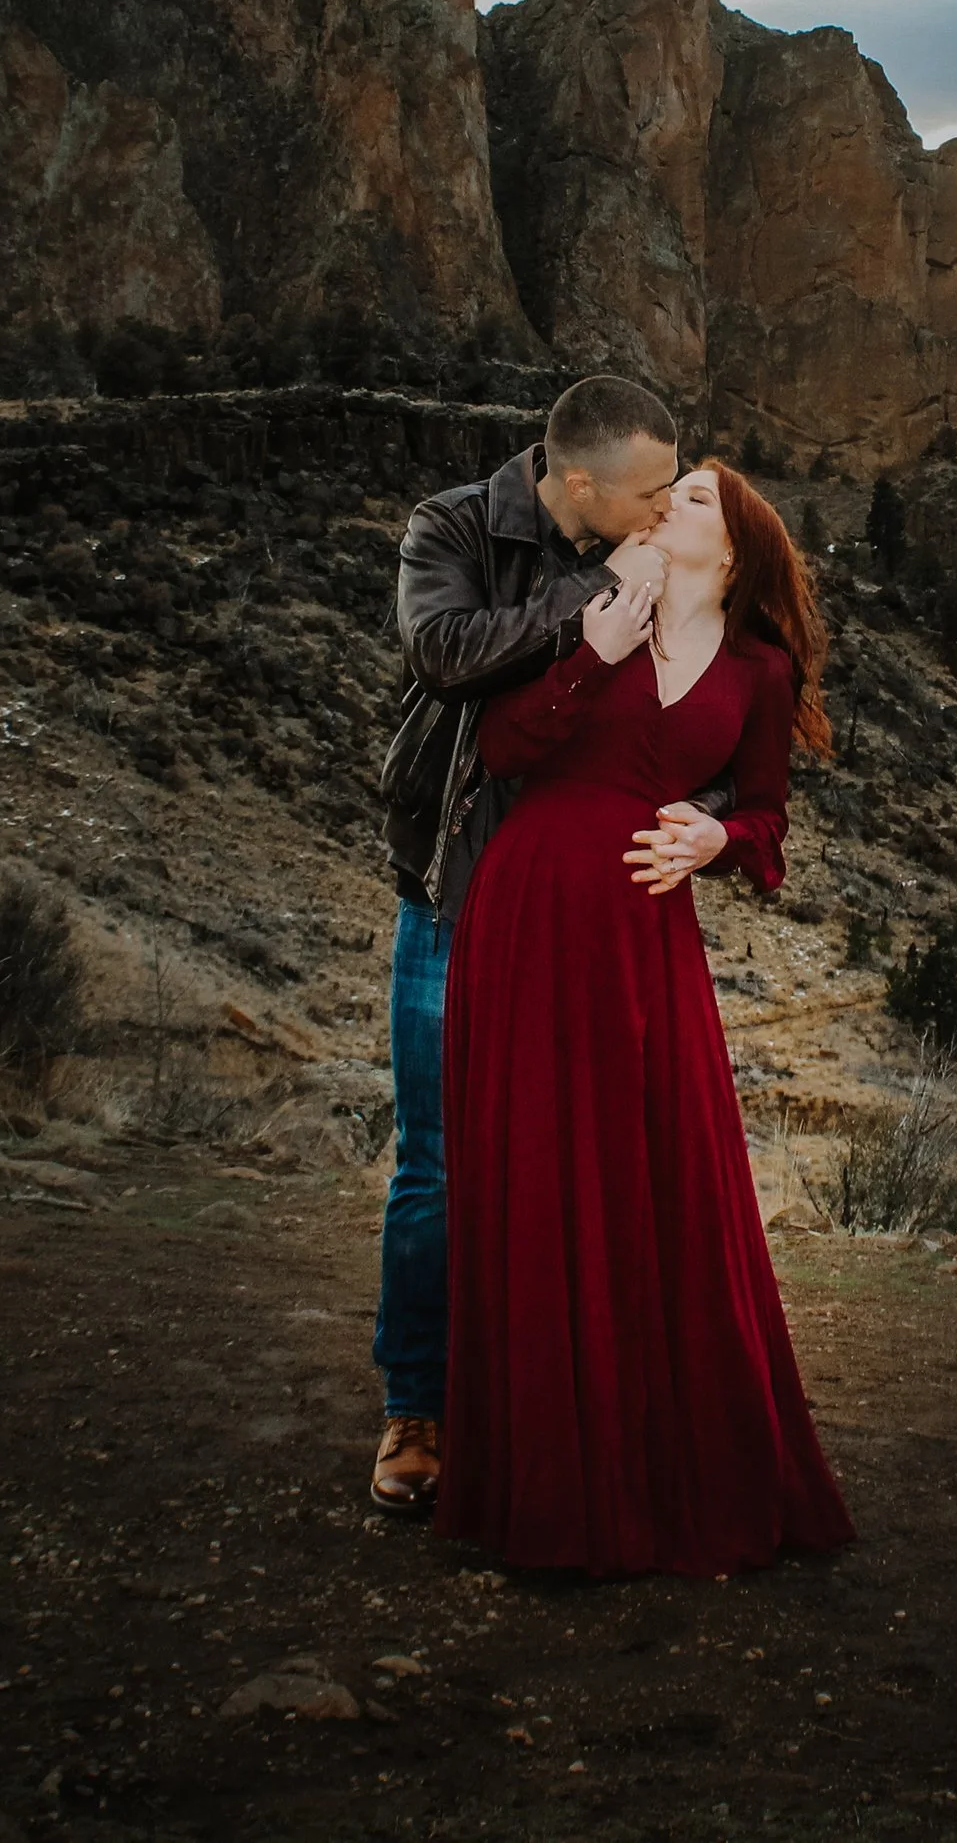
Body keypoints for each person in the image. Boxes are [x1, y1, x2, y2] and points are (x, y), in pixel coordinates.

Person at [435, 461, 856, 1575]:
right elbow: (503, 751)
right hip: (527, 912)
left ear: (739, 547)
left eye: (700, 498)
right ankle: (547, 1495)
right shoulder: (594, 609)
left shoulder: (760, 671)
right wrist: (591, 661)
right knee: (537, 1183)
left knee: (657, 1182)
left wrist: (718, 842)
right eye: (668, 489)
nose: (671, 500)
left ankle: (673, 1478)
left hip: (644, 940)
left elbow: (762, 813)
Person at [370, 376, 734, 1515]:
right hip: (456, 892)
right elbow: (442, 650)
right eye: (646, 491)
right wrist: (586, 611)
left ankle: (556, 1413)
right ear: (576, 481)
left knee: (577, 1170)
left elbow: (696, 698)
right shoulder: (454, 527)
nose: (663, 507)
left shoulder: (650, 546)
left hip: (584, 920)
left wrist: (716, 818)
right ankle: (417, 1408)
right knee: (437, 1160)